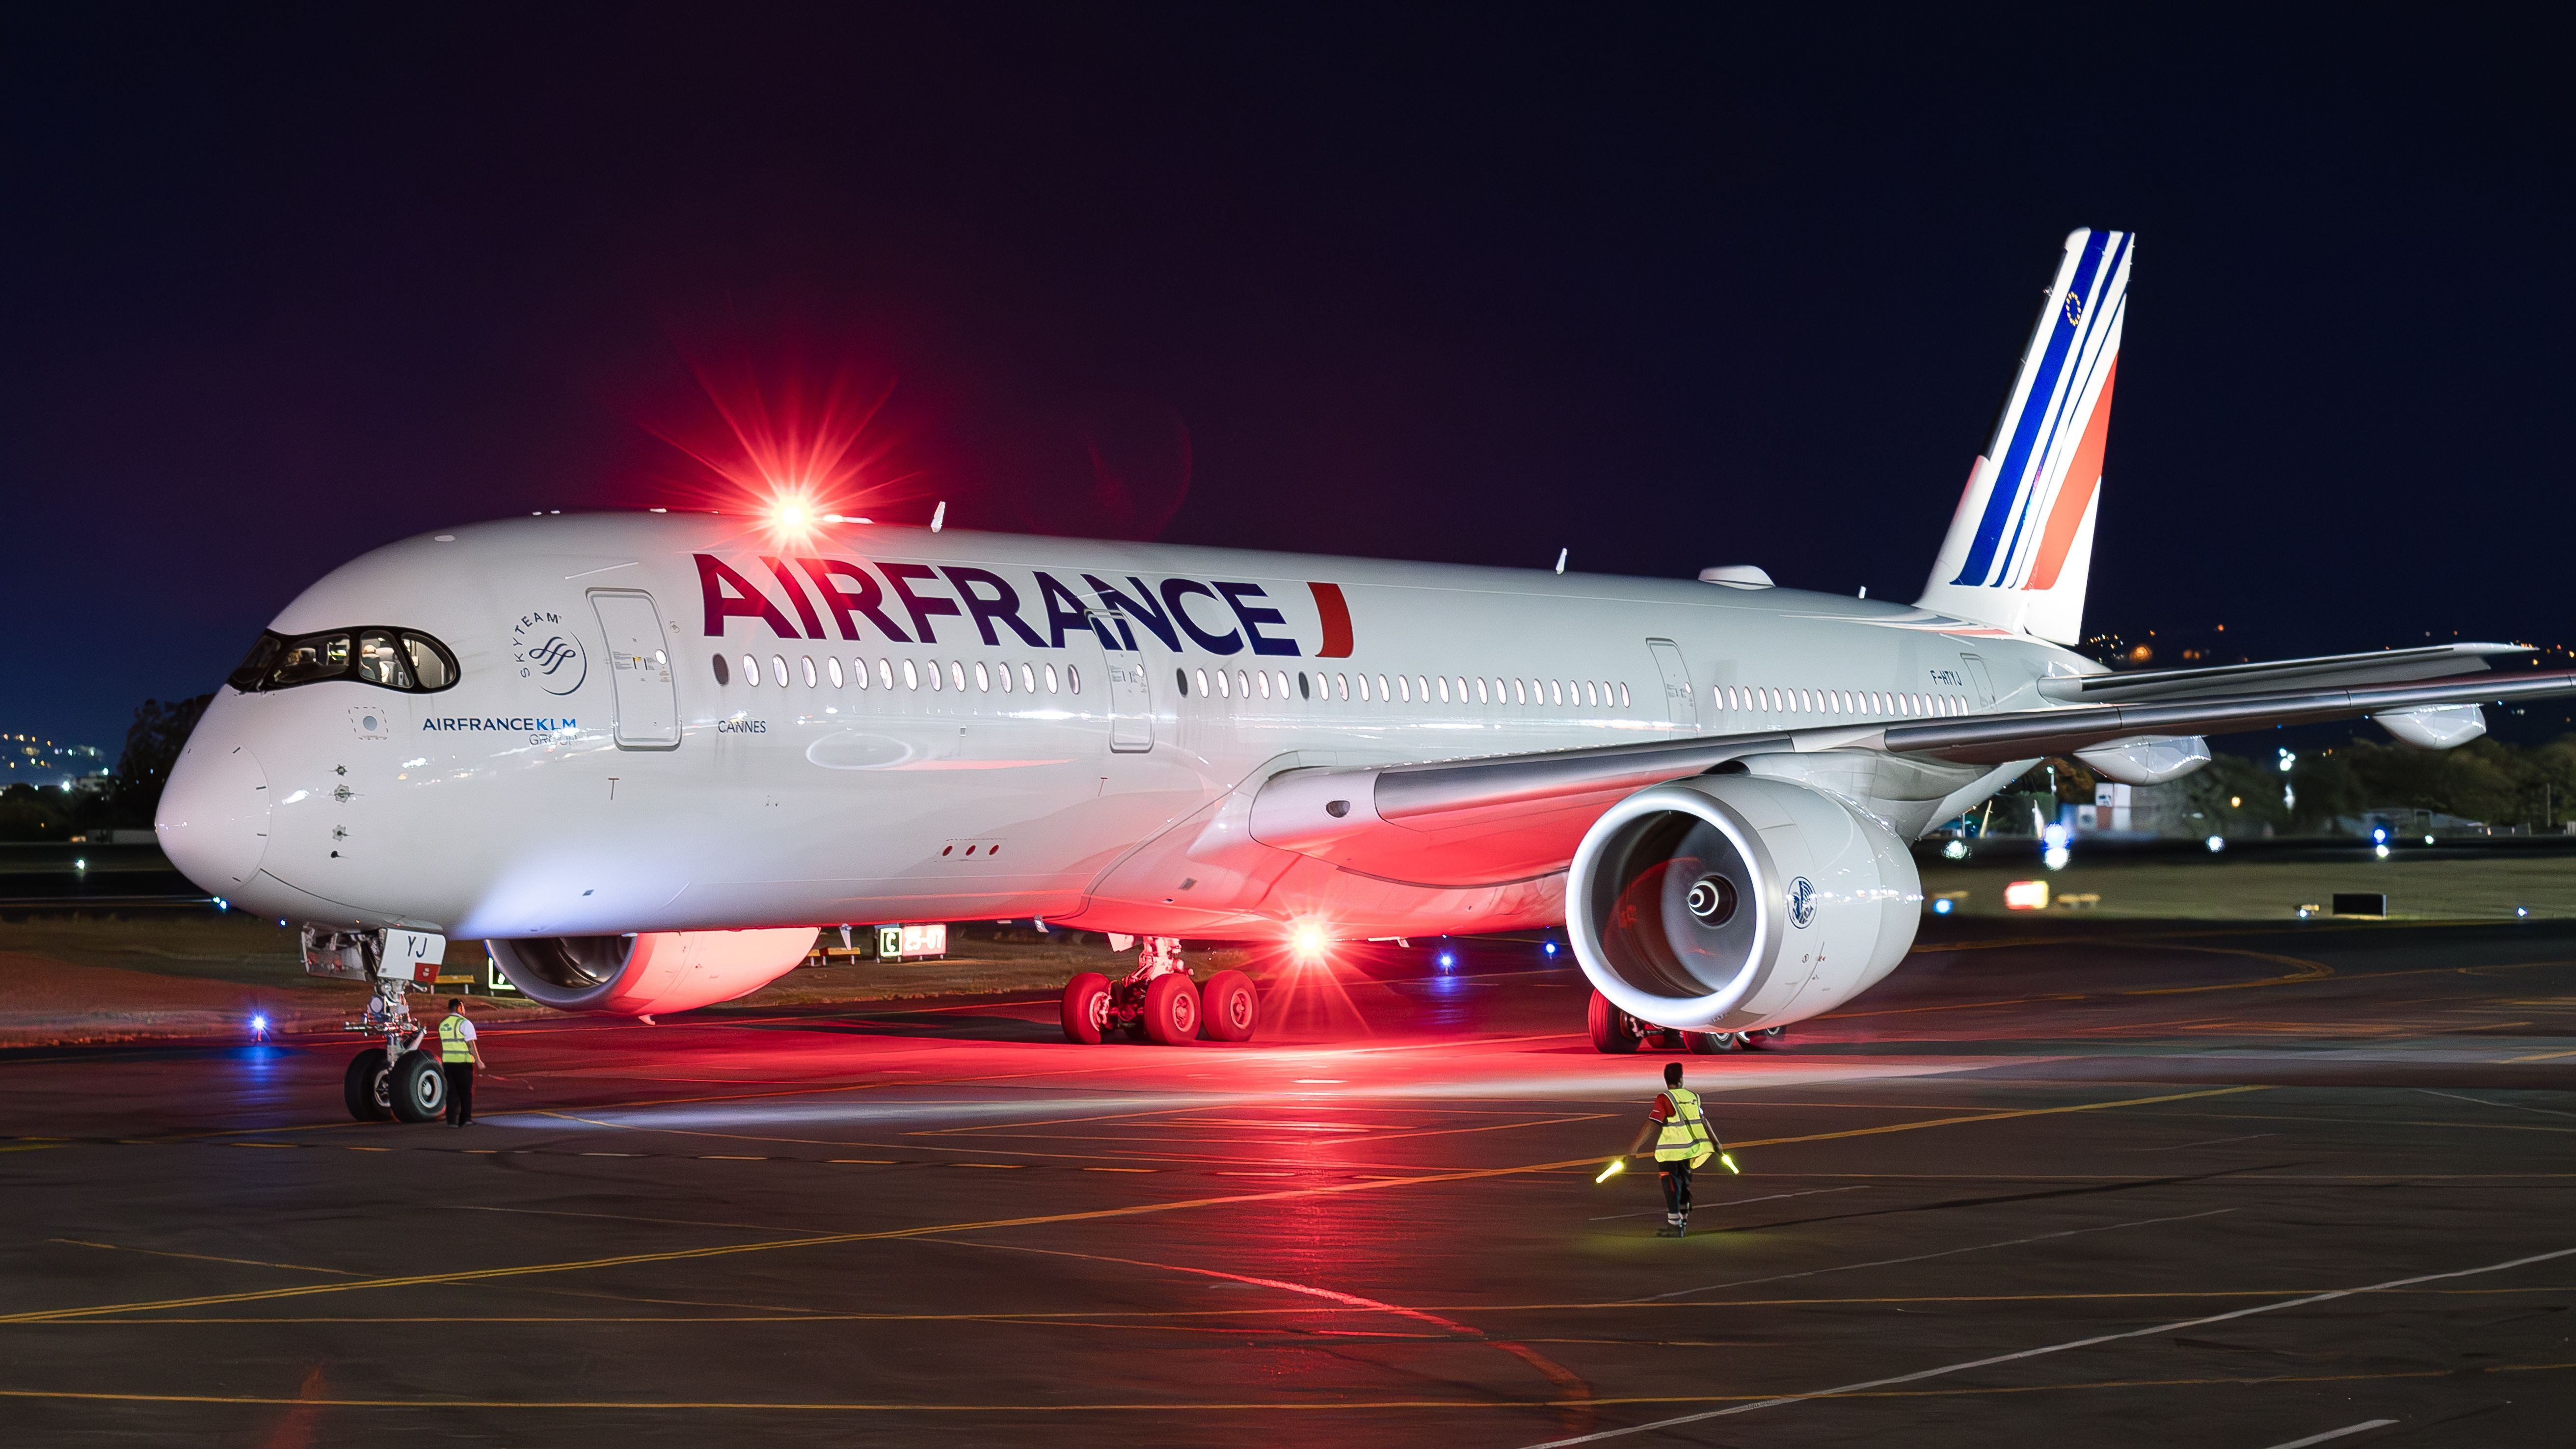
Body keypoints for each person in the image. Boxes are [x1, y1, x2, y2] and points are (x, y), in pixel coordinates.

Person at [1624, 1061, 1717, 1237]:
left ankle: (1675, 1225)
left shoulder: (1665, 1098)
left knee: (1671, 1186)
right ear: (1681, 1079)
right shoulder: (1693, 1097)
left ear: (1667, 1080)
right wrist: (1716, 1143)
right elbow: (1704, 1121)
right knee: (1684, 1186)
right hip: (1690, 1151)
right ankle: (1682, 1221)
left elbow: (1653, 1124)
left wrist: (1633, 1149)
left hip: (1671, 1152)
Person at [437, 998, 485, 1127]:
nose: (464, 1010)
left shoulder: (443, 1024)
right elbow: (470, 1044)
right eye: (463, 1007)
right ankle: (465, 1119)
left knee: (452, 1091)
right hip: (463, 1063)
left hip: (448, 1062)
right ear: (459, 1007)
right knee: (465, 1092)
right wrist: (478, 1060)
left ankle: (452, 1121)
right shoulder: (464, 1023)